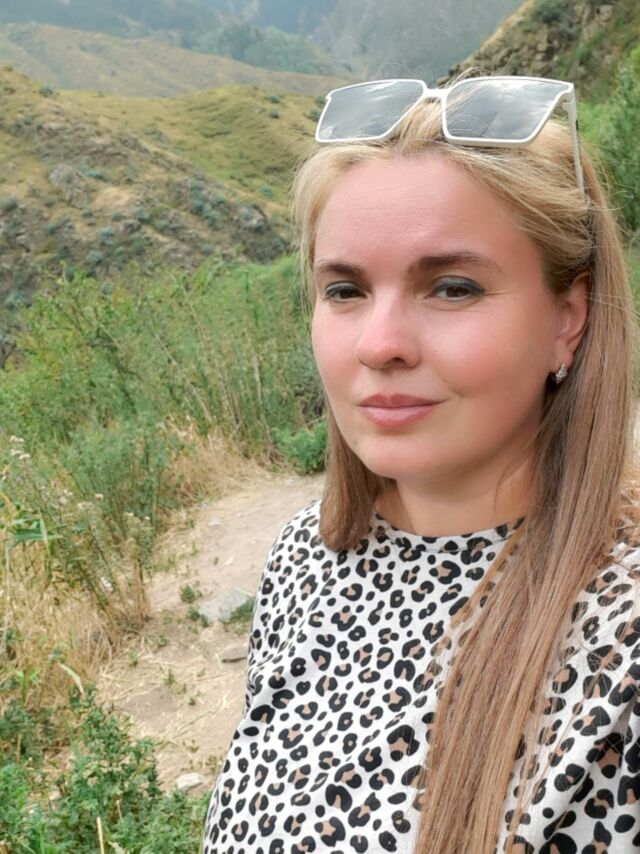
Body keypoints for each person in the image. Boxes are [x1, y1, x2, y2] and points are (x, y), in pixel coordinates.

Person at [202, 76, 640, 853]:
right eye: (346, 289)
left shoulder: (623, 640)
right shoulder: (303, 558)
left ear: (567, 320)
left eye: (452, 288)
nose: (379, 344)